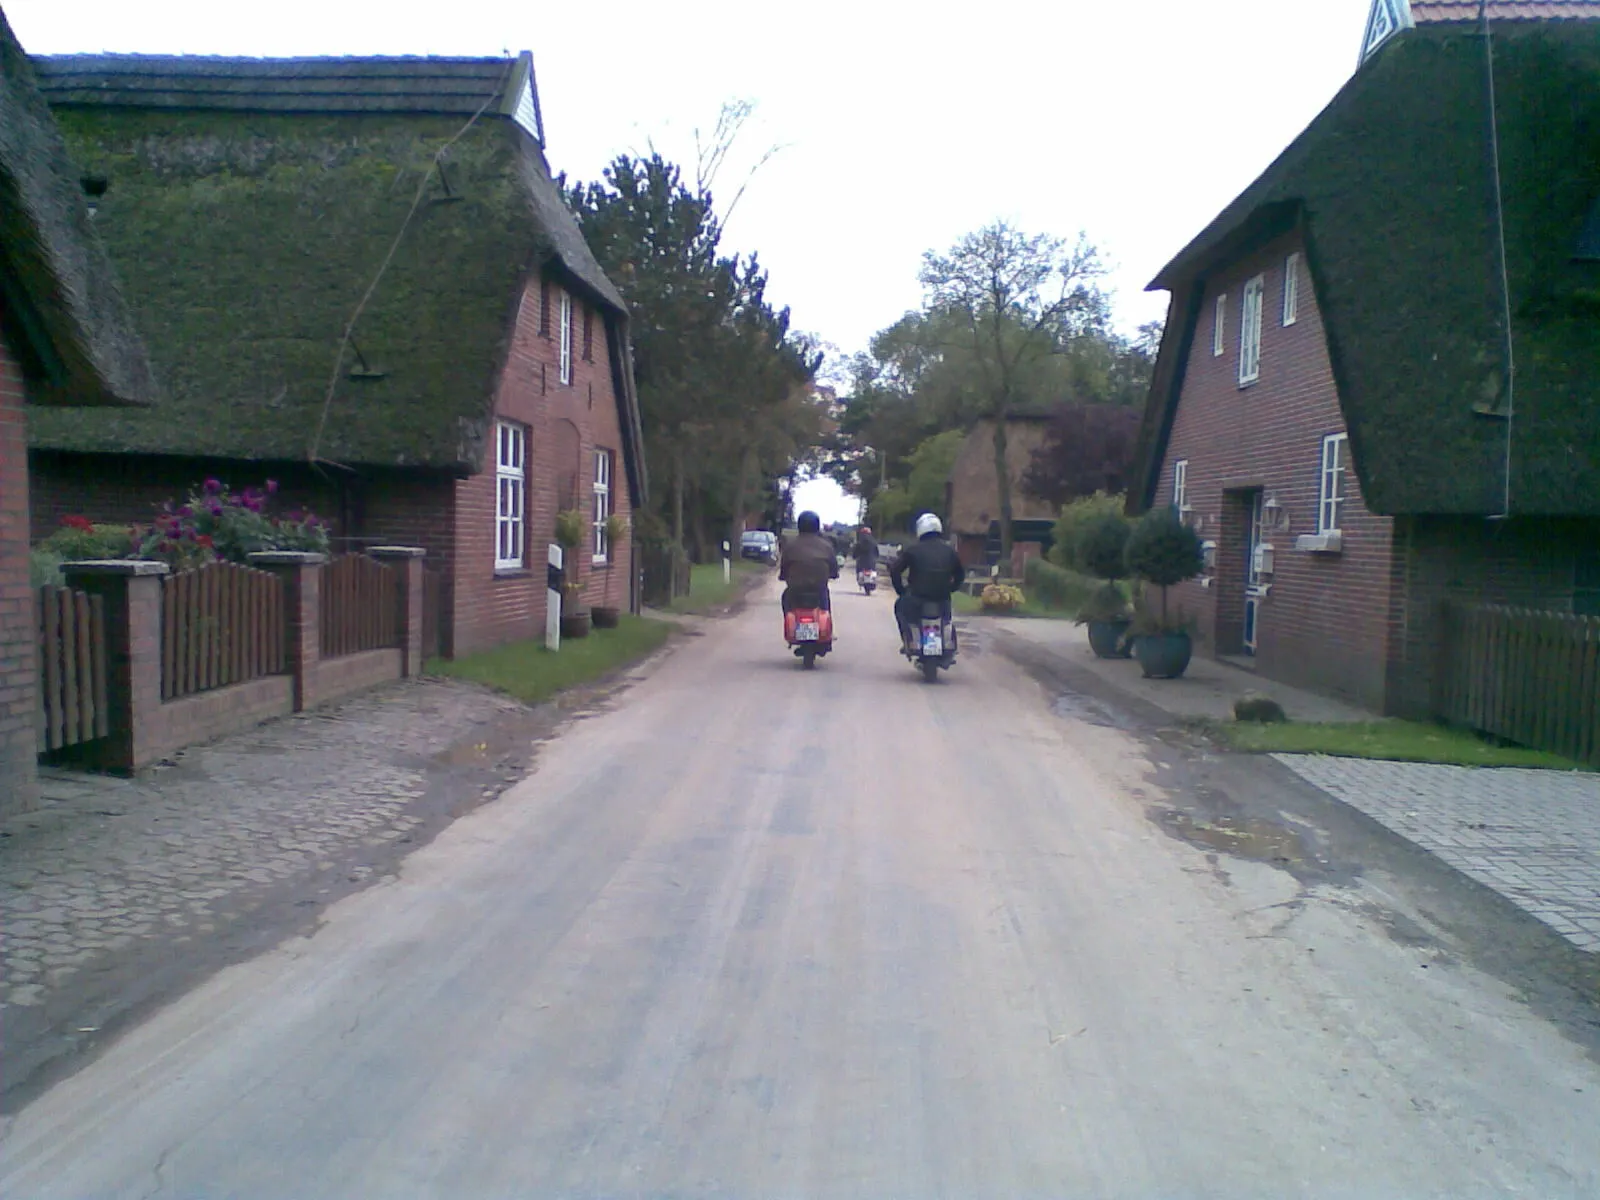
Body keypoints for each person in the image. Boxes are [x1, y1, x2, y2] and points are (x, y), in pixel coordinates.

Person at [888, 513, 966, 648]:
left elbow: (895, 570)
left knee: (899, 607)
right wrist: (950, 589)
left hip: (917, 598)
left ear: (920, 529)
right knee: (946, 620)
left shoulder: (913, 550)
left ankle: (909, 640)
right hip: (942, 599)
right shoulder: (950, 551)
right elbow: (960, 574)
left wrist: (901, 591)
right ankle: (947, 642)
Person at [779, 510, 838, 612]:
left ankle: (789, 620)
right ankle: (826, 618)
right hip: (819, 590)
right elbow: (834, 569)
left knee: (786, 597)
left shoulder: (790, 546)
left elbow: (784, 568)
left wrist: (783, 576)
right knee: (825, 602)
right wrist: (833, 574)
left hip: (795, 590)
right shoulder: (827, 546)